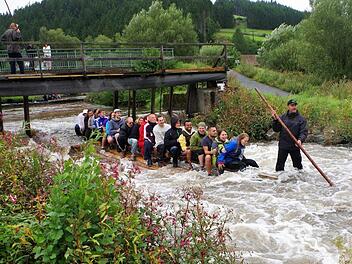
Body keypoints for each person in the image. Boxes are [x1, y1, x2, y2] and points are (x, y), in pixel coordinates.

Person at [272, 99, 308, 172]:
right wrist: (275, 120)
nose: (294, 107)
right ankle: (279, 181)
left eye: (295, 105)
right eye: (292, 105)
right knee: (279, 167)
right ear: (288, 106)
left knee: (298, 168)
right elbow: (276, 129)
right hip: (283, 145)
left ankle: (299, 182)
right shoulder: (282, 117)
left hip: (295, 145)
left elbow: (303, 132)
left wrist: (300, 140)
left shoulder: (301, 119)